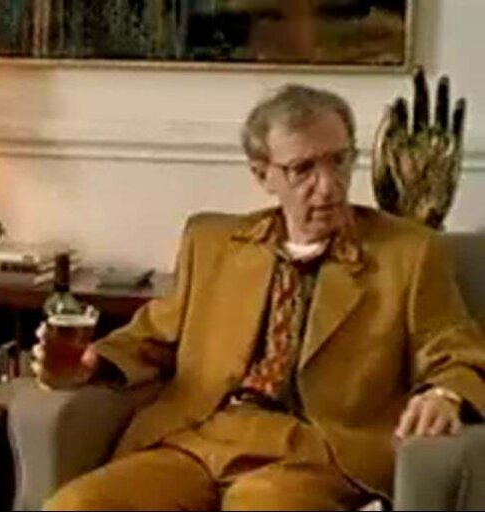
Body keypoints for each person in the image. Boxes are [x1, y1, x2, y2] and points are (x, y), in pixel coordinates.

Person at [33, 84, 485, 510]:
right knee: (77, 505)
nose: (328, 185)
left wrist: (445, 394)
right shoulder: (213, 243)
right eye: (303, 169)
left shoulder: (408, 253)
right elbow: (151, 337)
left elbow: (456, 350)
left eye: (339, 161)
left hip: (318, 448)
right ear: (262, 174)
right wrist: (90, 364)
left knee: (263, 502)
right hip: (201, 436)